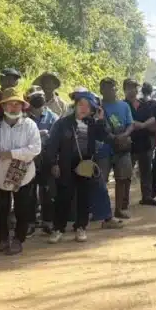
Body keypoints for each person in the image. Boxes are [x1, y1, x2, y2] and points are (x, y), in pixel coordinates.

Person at [45, 89, 111, 244]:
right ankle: (58, 229)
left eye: (88, 106)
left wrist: (101, 119)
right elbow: (52, 145)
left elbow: (105, 136)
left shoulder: (93, 124)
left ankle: (81, 227)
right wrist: (53, 163)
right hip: (65, 164)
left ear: (92, 109)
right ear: (75, 105)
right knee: (63, 197)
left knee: (84, 196)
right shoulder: (62, 124)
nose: (83, 108)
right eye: (81, 104)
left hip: (86, 163)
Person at [0, 88, 41, 255]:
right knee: (0, 209)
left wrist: (12, 154)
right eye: (10, 104)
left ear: (23, 106)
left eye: (17, 104)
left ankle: (18, 240)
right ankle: (2, 239)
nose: (14, 107)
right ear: (3, 106)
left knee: (23, 209)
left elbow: (35, 149)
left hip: (24, 175)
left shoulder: (30, 126)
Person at [97, 78, 135, 219]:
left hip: (122, 147)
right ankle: (102, 211)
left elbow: (131, 124)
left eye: (112, 88)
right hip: (103, 148)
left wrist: (124, 135)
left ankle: (118, 209)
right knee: (101, 181)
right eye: (106, 88)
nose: (109, 91)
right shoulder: (97, 106)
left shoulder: (124, 106)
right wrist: (113, 137)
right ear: (101, 90)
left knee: (122, 179)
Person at [26, 86, 59, 233]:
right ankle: (30, 222)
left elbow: (57, 141)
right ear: (29, 100)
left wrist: (55, 162)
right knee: (29, 192)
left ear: (45, 98)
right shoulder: (23, 118)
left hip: (47, 157)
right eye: (34, 97)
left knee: (48, 191)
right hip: (29, 159)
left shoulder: (53, 117)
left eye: (40, 96)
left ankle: (48, 221)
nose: (38, 99)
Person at [124, 79, 156, 207]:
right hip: (128, 144)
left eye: (134, 87)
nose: (132, 90)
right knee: (126, 173)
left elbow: (153, 118)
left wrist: (143, 125)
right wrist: (132, 124)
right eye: (129, 88)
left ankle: (147, 197)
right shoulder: (122, 105)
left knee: (146, 172)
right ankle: (124, 199)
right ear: (124, 89)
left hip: (145, 142)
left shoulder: (144, 104)